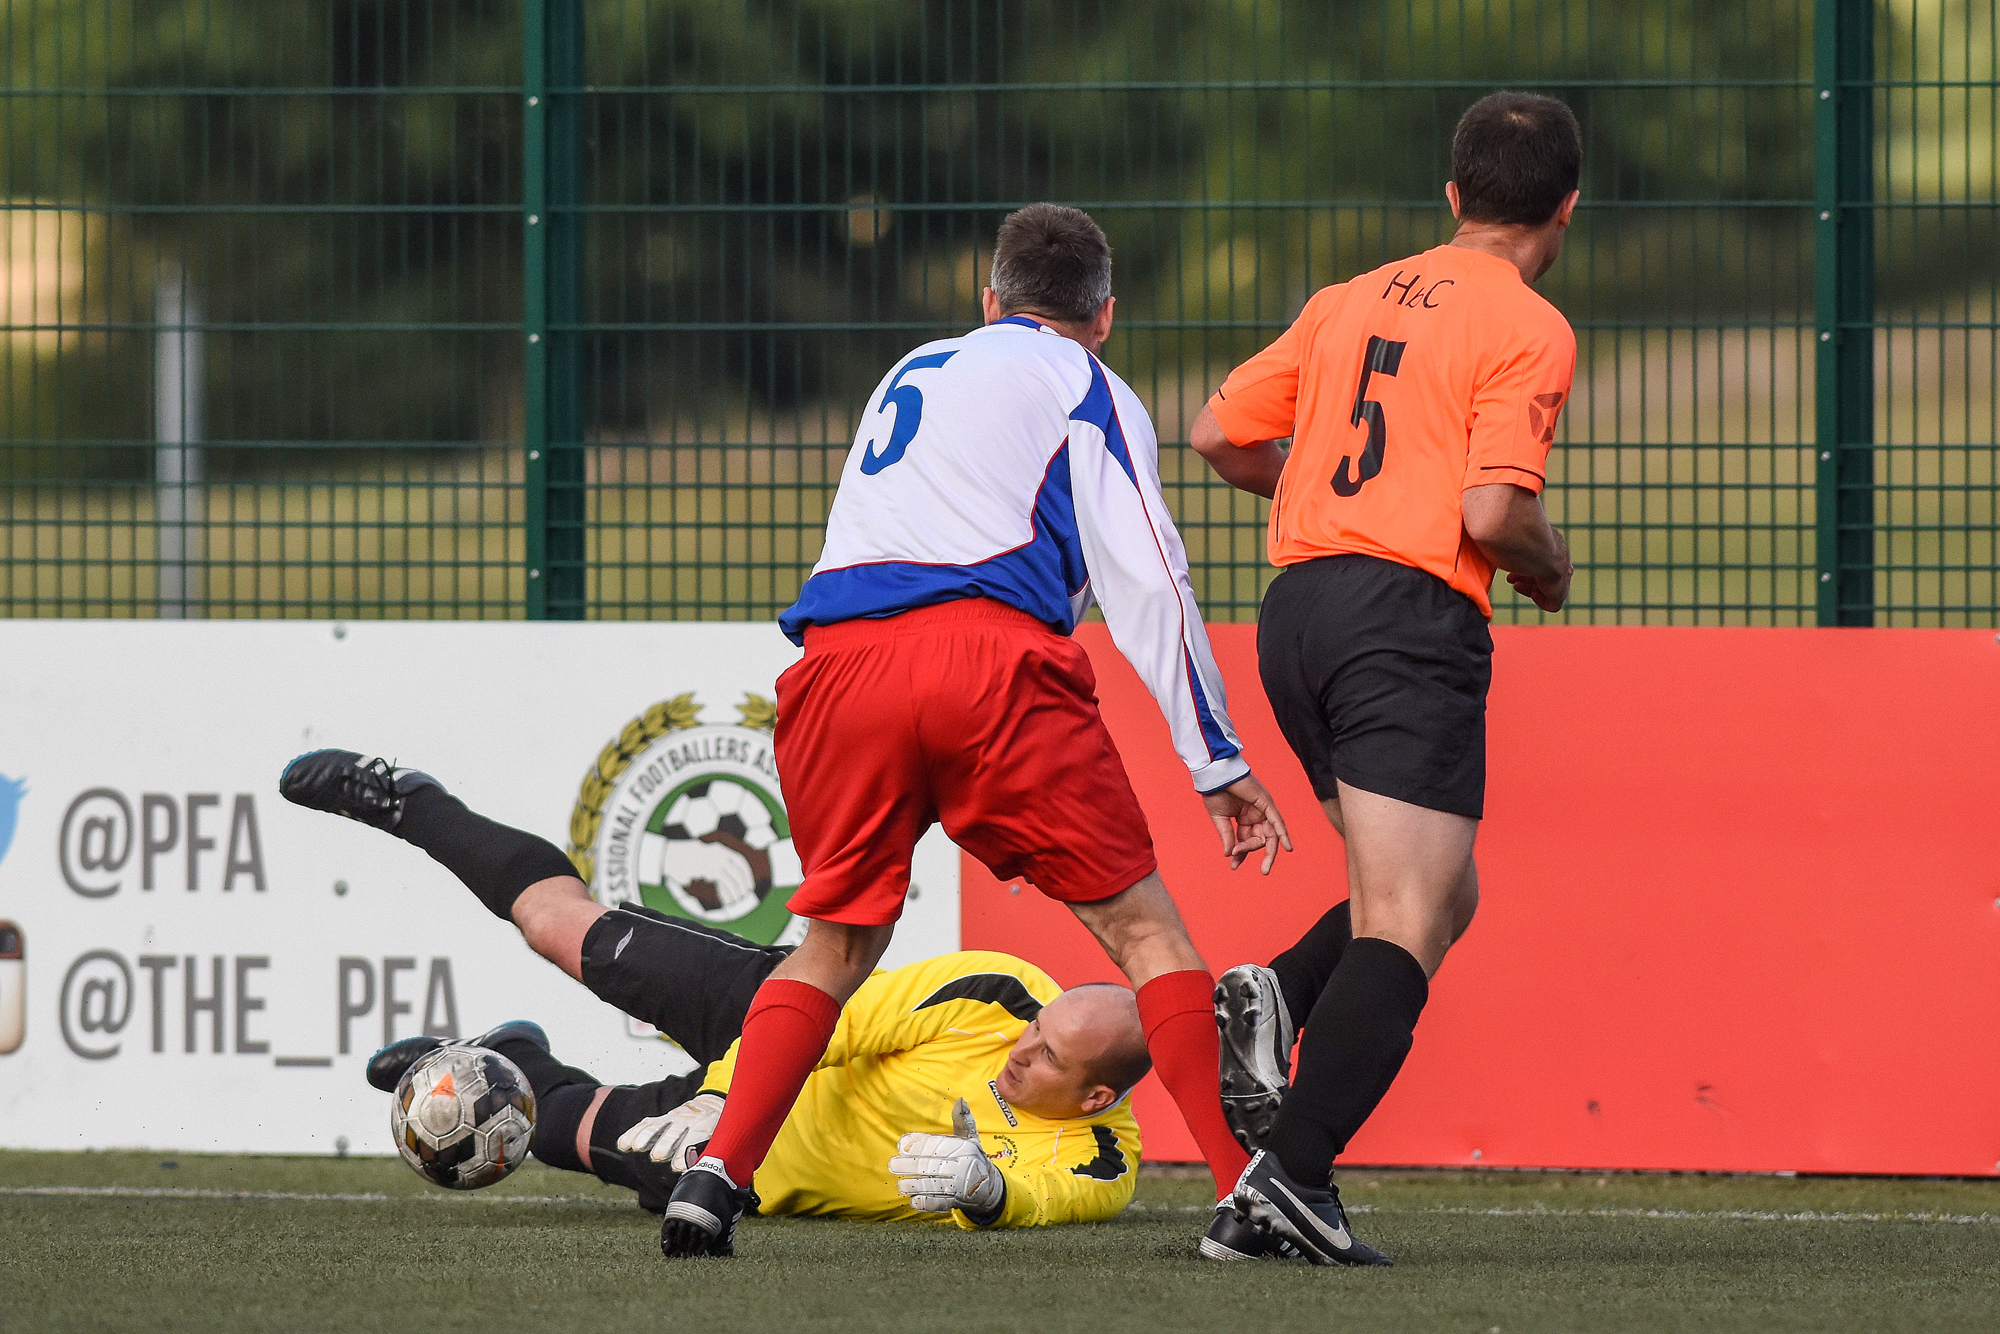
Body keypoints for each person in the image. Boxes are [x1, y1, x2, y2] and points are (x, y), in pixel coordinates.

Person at [655, 203, 1296, 1261]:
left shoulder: (914, 365)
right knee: (1146, 939)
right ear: (1102, 318)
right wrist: (1213, 757)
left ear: (988, 300)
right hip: (986, 661)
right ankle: (1246, 1193)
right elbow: (1152, 579)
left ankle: (717, 1173)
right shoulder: (1086, 383)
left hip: (834, 665)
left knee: (835, 941)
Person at [285, 749, 1293, 1255]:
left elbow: (1057, 1195)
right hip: (777, 1010)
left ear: (1088, 1100)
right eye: (1034, 1026)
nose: (1019, 1046)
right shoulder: (996, 989)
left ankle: (486, 1059)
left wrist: (988, 1191)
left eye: (1042, 1059)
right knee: (562, 927)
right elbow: (841, 1016)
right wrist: (725, 1099)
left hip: (760, 1168)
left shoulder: (1099, 1158)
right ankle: (409, 800)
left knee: (543, 1125)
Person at [1189, 91, 1582, 1266]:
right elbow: (1491, 511)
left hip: (1295, 613)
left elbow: (1215, 433)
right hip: (1400, 621)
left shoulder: (1347, 297)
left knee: (1428, 899)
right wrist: (1548, 570)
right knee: (1409, 915)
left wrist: (1332, 502)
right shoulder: (1529, 323)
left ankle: (1275, 989)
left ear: (1452, 196)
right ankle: (1288, 1185)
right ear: (1564, 210)